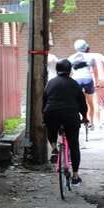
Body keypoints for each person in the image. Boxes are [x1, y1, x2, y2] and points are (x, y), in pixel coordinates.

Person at [43, 58, 88, 186]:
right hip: (70, 116)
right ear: (70, 70)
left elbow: (44, 101)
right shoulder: (75, 84)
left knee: (51, 129)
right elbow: (82, 104)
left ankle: (54, 148)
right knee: (74, 144)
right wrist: (84, 116)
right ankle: (75, 175)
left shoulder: (50, 83)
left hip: (52, 113)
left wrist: (44, 116)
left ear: (57, 70)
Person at [69, 39, 98, 129]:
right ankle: (91, 122)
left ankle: (76, 120)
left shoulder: (70, 58)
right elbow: (95, 71)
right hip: (88, 80)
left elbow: (69, 72)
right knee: (90, 102)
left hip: (76, 81)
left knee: (75, 102)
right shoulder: (91, 57)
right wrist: (96, 82)